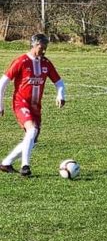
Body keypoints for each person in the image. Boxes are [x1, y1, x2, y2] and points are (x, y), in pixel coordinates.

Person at [0, 34, 65, 177]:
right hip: (20, 102)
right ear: (33, 45)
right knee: (32, 130)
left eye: (45, 48)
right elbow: (3, 82)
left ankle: (6, 163)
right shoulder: (21, 61)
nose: (44, 51)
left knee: (32, 138)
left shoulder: (46, 63)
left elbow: (59, 82)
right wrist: (0, 104)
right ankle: (25, 166)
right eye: (41, 47)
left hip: (36, 106)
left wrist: (61, 95)